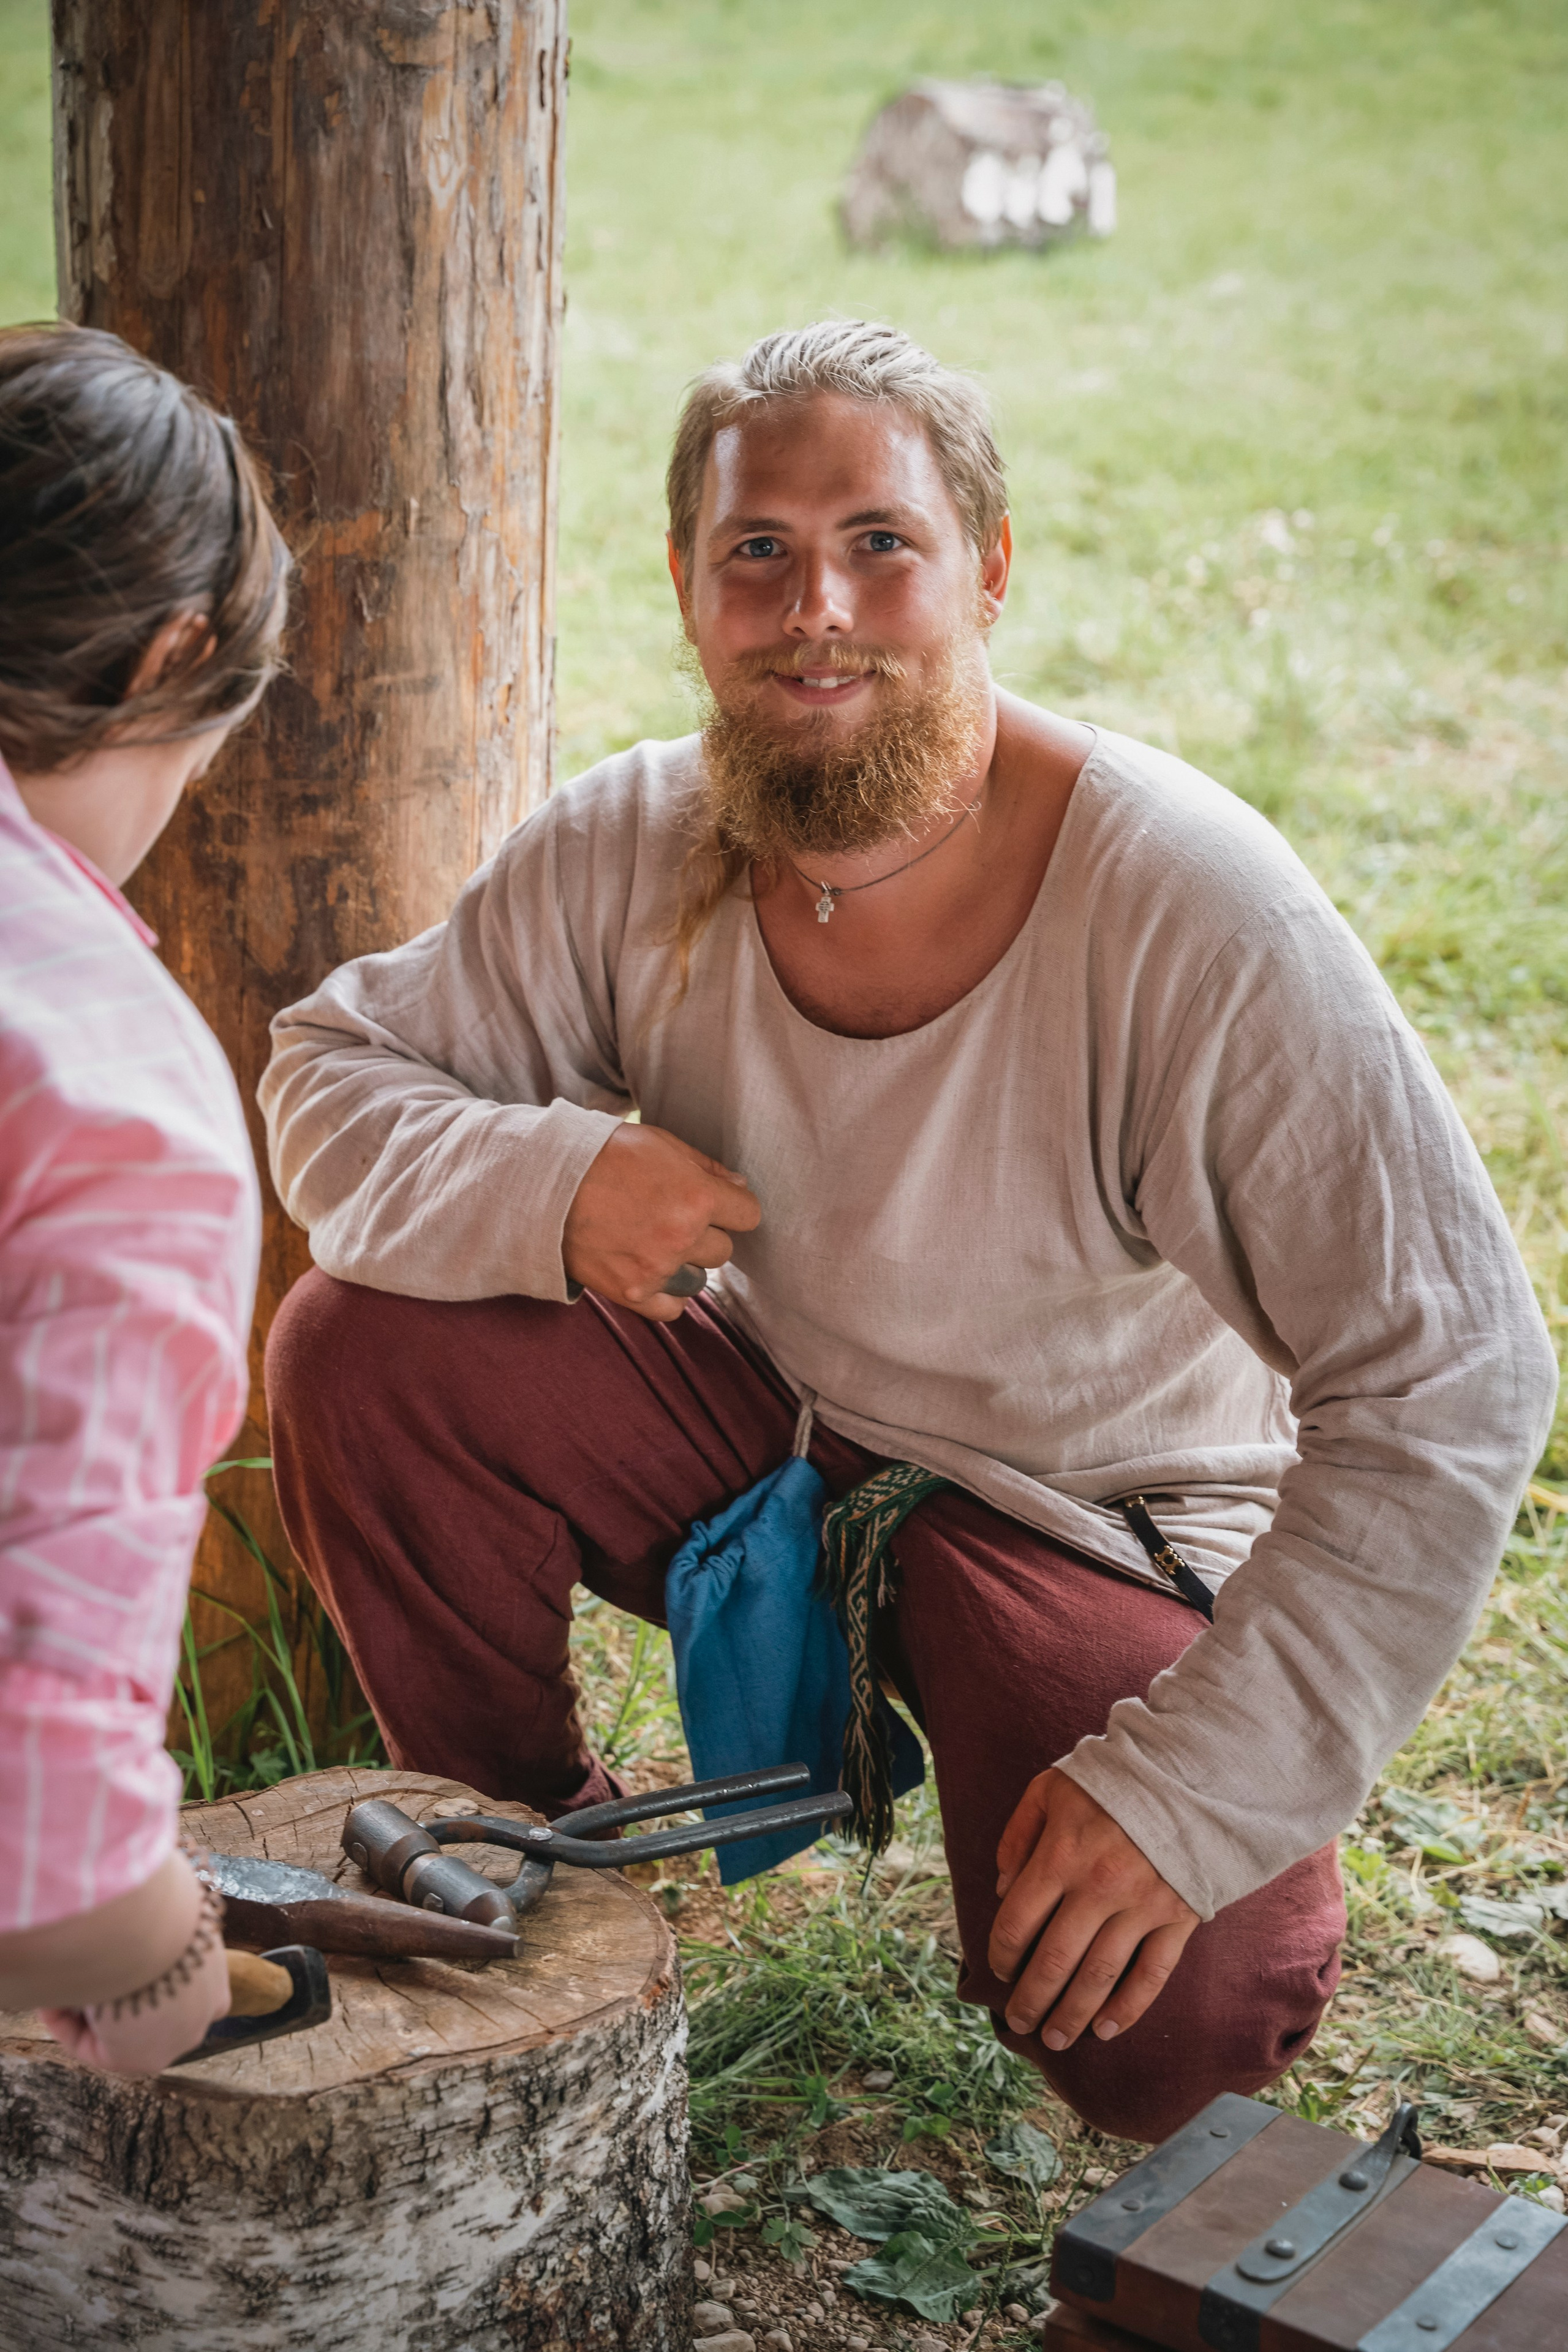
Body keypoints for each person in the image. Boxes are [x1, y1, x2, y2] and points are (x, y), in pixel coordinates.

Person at [260, 321, 1556, 2141]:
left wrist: (1192, 1795)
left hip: (1085, 1513)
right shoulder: (638, 840)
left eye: (881, 542)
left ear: (991, 569)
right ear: (690, 589)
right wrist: (551, 1189)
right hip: (777, 1432)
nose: (817, 610)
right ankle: (537, 1888)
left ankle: (1109, 1819)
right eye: (759, 554)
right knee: (365, 1344)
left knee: (1166, 2016)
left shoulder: (1188, 904)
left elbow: (1458, 1373)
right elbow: (335, 1069)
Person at [0, 325, 288, 2073]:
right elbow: (30, 1808)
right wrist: (158, 1957)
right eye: (201, 756)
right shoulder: (106, 1087)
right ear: (170, 659)